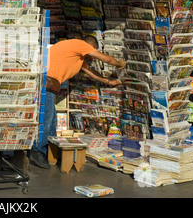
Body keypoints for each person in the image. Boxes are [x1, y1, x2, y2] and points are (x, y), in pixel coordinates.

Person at [28, 35, 126, 169]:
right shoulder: (80, 44)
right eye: (94, 52)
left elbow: (91, 72)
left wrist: (109, 82)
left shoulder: (78, 58)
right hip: (46, 82)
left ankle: (52, 152)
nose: (92, 57)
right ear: (90, 46)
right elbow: (107, 59)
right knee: (47, 118)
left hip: (50, 85)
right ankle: (37, 150)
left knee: (52, 122)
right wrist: (120, 64)